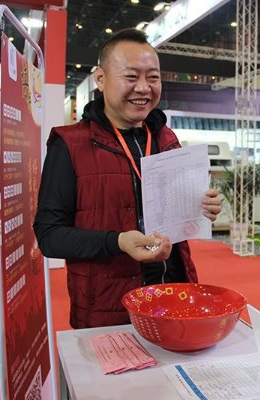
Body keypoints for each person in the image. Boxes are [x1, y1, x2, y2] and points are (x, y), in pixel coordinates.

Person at [33, 28, 222, 329]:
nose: (144, 88)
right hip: (109, 310)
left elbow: (175, 215)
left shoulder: (166, 139)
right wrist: (118, 242)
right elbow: (49, 236)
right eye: (131, 77)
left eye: (153, 77)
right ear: (100, 78)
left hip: (174, 297)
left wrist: (201, 206)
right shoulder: (69, 145)